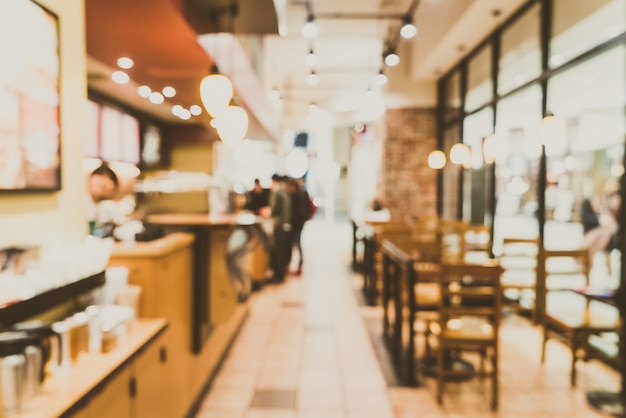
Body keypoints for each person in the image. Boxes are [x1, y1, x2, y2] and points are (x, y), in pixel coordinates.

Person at [264, 174, 291, 282]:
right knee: (281, 251)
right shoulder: (284, 192)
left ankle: (278, 276)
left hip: (279, 225)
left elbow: (273, 209)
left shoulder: (277, 193)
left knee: (277, 251)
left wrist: (266, 212)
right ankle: (280, 275)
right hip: (285, 225)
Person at [284, 177, 312, 275]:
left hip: (297, 224)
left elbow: (300, 212)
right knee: (296, 244)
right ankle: (295, 266)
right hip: (299, 223)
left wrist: (293, 222)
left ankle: (299, 265)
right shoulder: (300, 193)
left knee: (297, 243)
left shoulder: (299, 195)